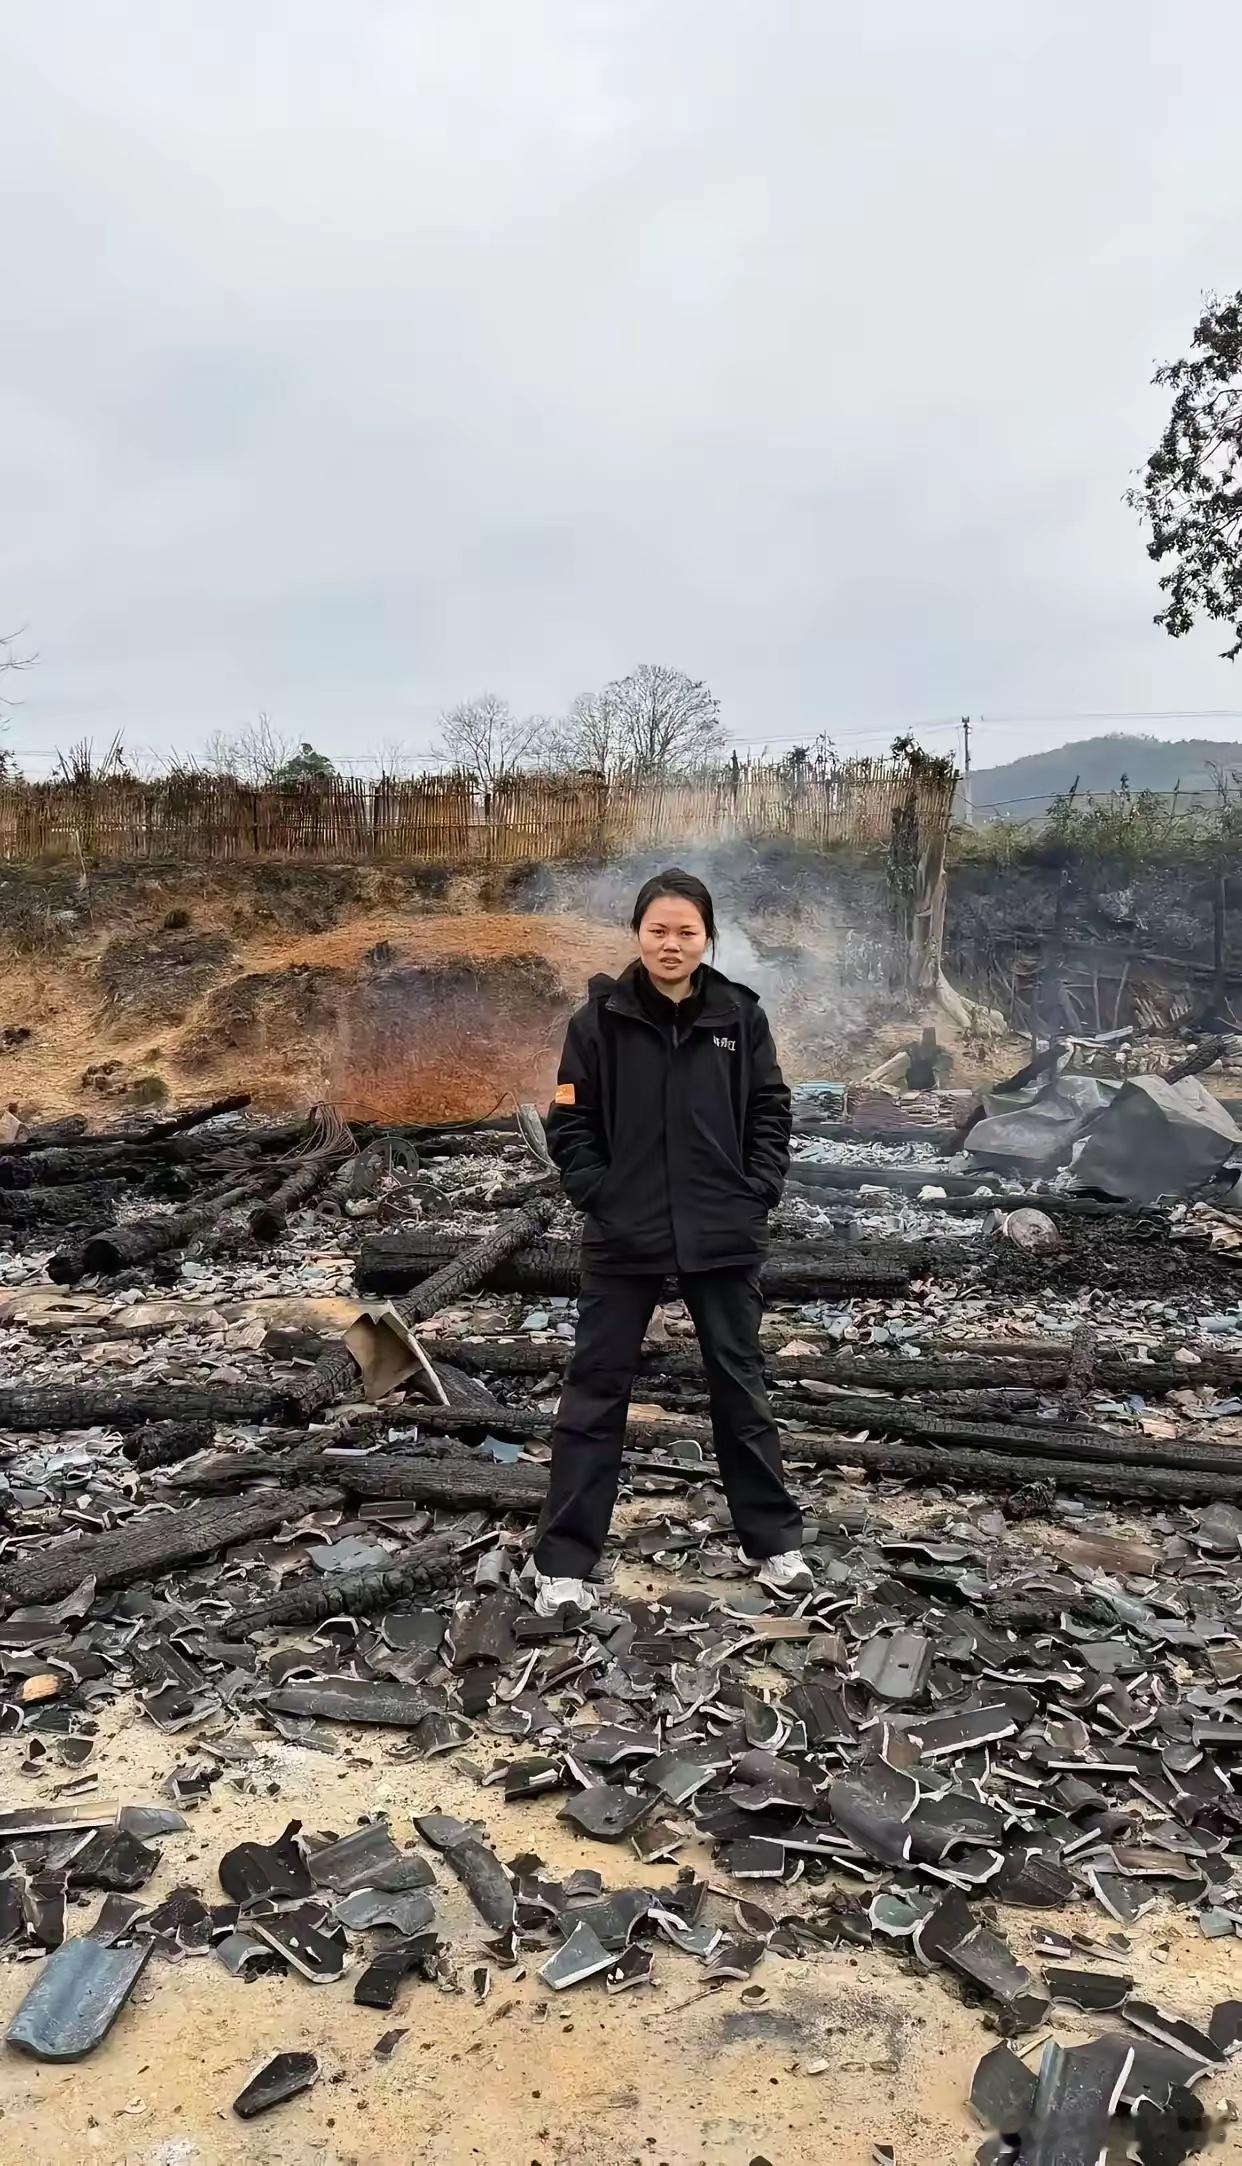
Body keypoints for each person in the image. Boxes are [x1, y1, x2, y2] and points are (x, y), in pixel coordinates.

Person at [529, 867, 810, 1616]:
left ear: (707, 937)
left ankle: (775, 1545)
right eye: (659, 929)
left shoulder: (739, 1019)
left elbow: (771, 1110)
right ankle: (563, 1559)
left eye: (687, 930)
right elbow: (571, 1121)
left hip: (724, 1230)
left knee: (740, 1386)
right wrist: (600, 1192)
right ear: (636, 935)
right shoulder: (598, 1022)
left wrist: (757, 1191)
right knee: (594, 1392)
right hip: (626, 1232)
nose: (672, 943)